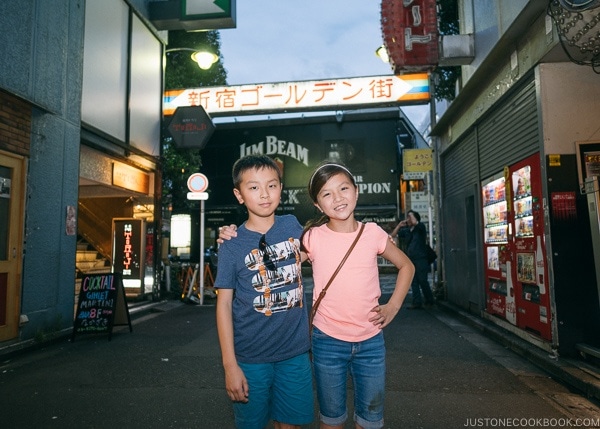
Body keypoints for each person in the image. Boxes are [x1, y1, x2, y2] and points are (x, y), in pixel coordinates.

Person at [300, 162, 414, 429]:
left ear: (356, 191)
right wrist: (233, 236)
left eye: (343, 188)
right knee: (331, 419)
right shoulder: (312, 237)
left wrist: (393, 306)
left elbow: (407, 266)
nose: (337, 198)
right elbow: (278, 262)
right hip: (326, 340)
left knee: (371, 420)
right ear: (318, 205)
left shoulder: (372, 232)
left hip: (370, 341)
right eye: (326, 194)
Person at [214, 155, 314, 429]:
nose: (265, 194)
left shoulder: (293, 226)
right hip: (250, 357)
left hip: (295, 353)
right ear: (239, 195)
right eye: (254, 187)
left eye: (271, 185)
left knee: (290, 425)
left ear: (281, 188)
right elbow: (223, 305)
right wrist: (229, 366)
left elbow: (317, 250)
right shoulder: (231, 244)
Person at [391, 210, 435, 309]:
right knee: (413, 281)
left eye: (410, 217)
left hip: (421, 259)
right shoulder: (407, 231)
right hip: (410, 259)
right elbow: (393, 235)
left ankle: (429, 300)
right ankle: (417, 302)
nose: (408, 219)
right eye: (407, 217)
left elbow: (415, 222)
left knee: (423, 280)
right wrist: (399, 225)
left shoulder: (420, 227)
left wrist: (412, 216)